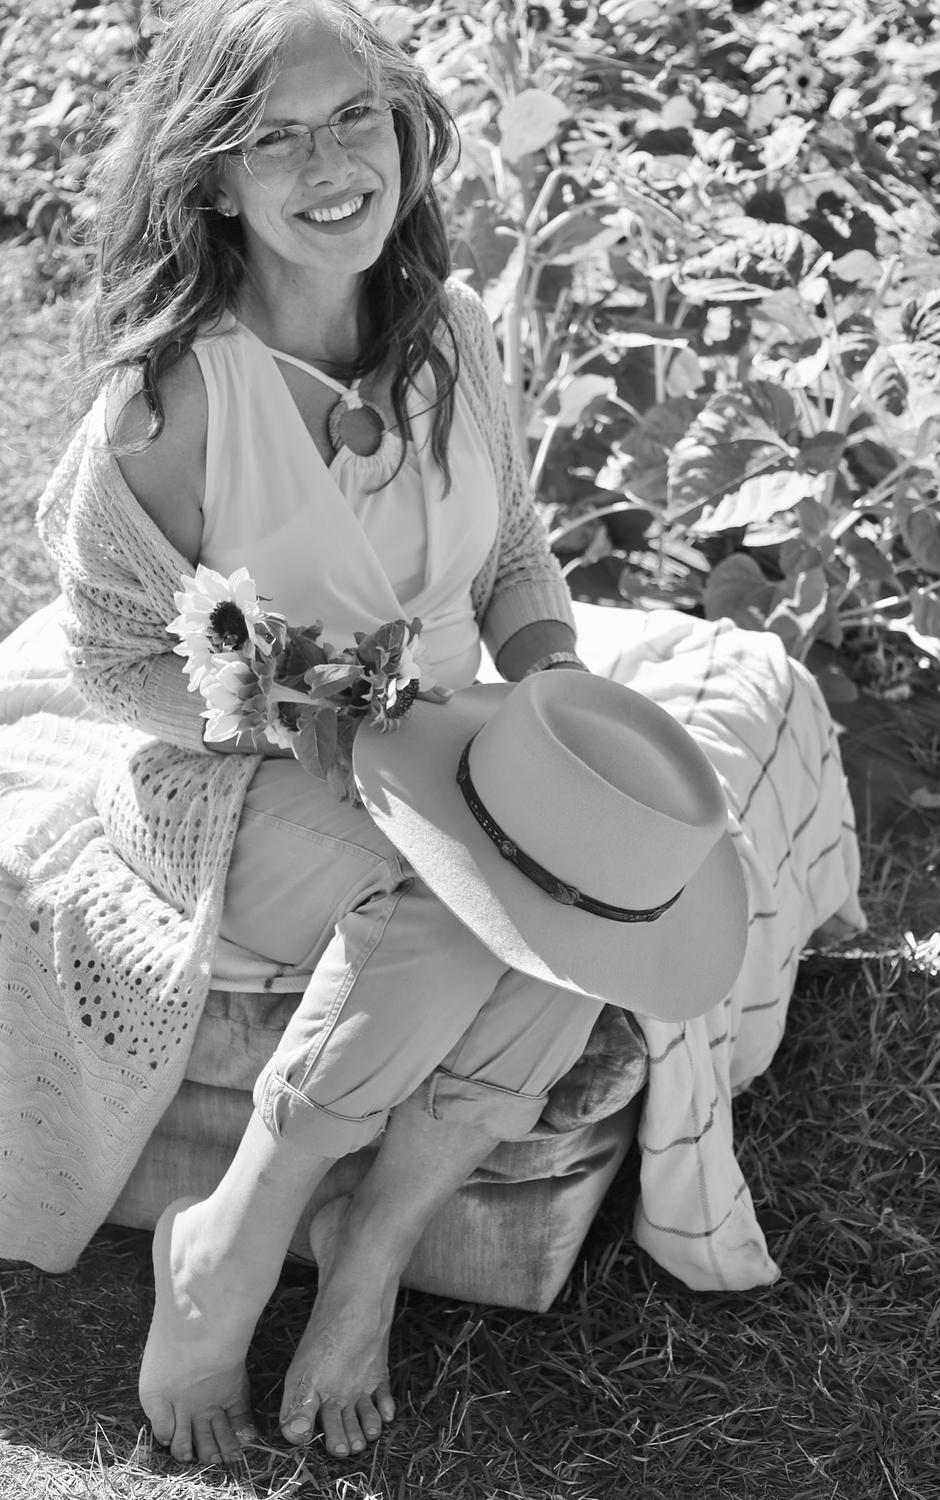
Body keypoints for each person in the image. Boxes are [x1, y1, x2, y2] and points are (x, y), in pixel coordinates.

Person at [0, 0, 866, 1473]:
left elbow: (514, 549)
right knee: (465, 908)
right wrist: (290, 706)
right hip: (235, 785)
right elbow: (110, 661)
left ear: (405, 129)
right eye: (275, 137)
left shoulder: (451, 334)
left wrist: (553, 700)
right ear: (214, 178)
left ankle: (370, 1257)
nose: (330, 162)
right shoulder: (173, 401)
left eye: (356, 116)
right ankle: (235, 1238)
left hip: (451, 752)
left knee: (577, 905)